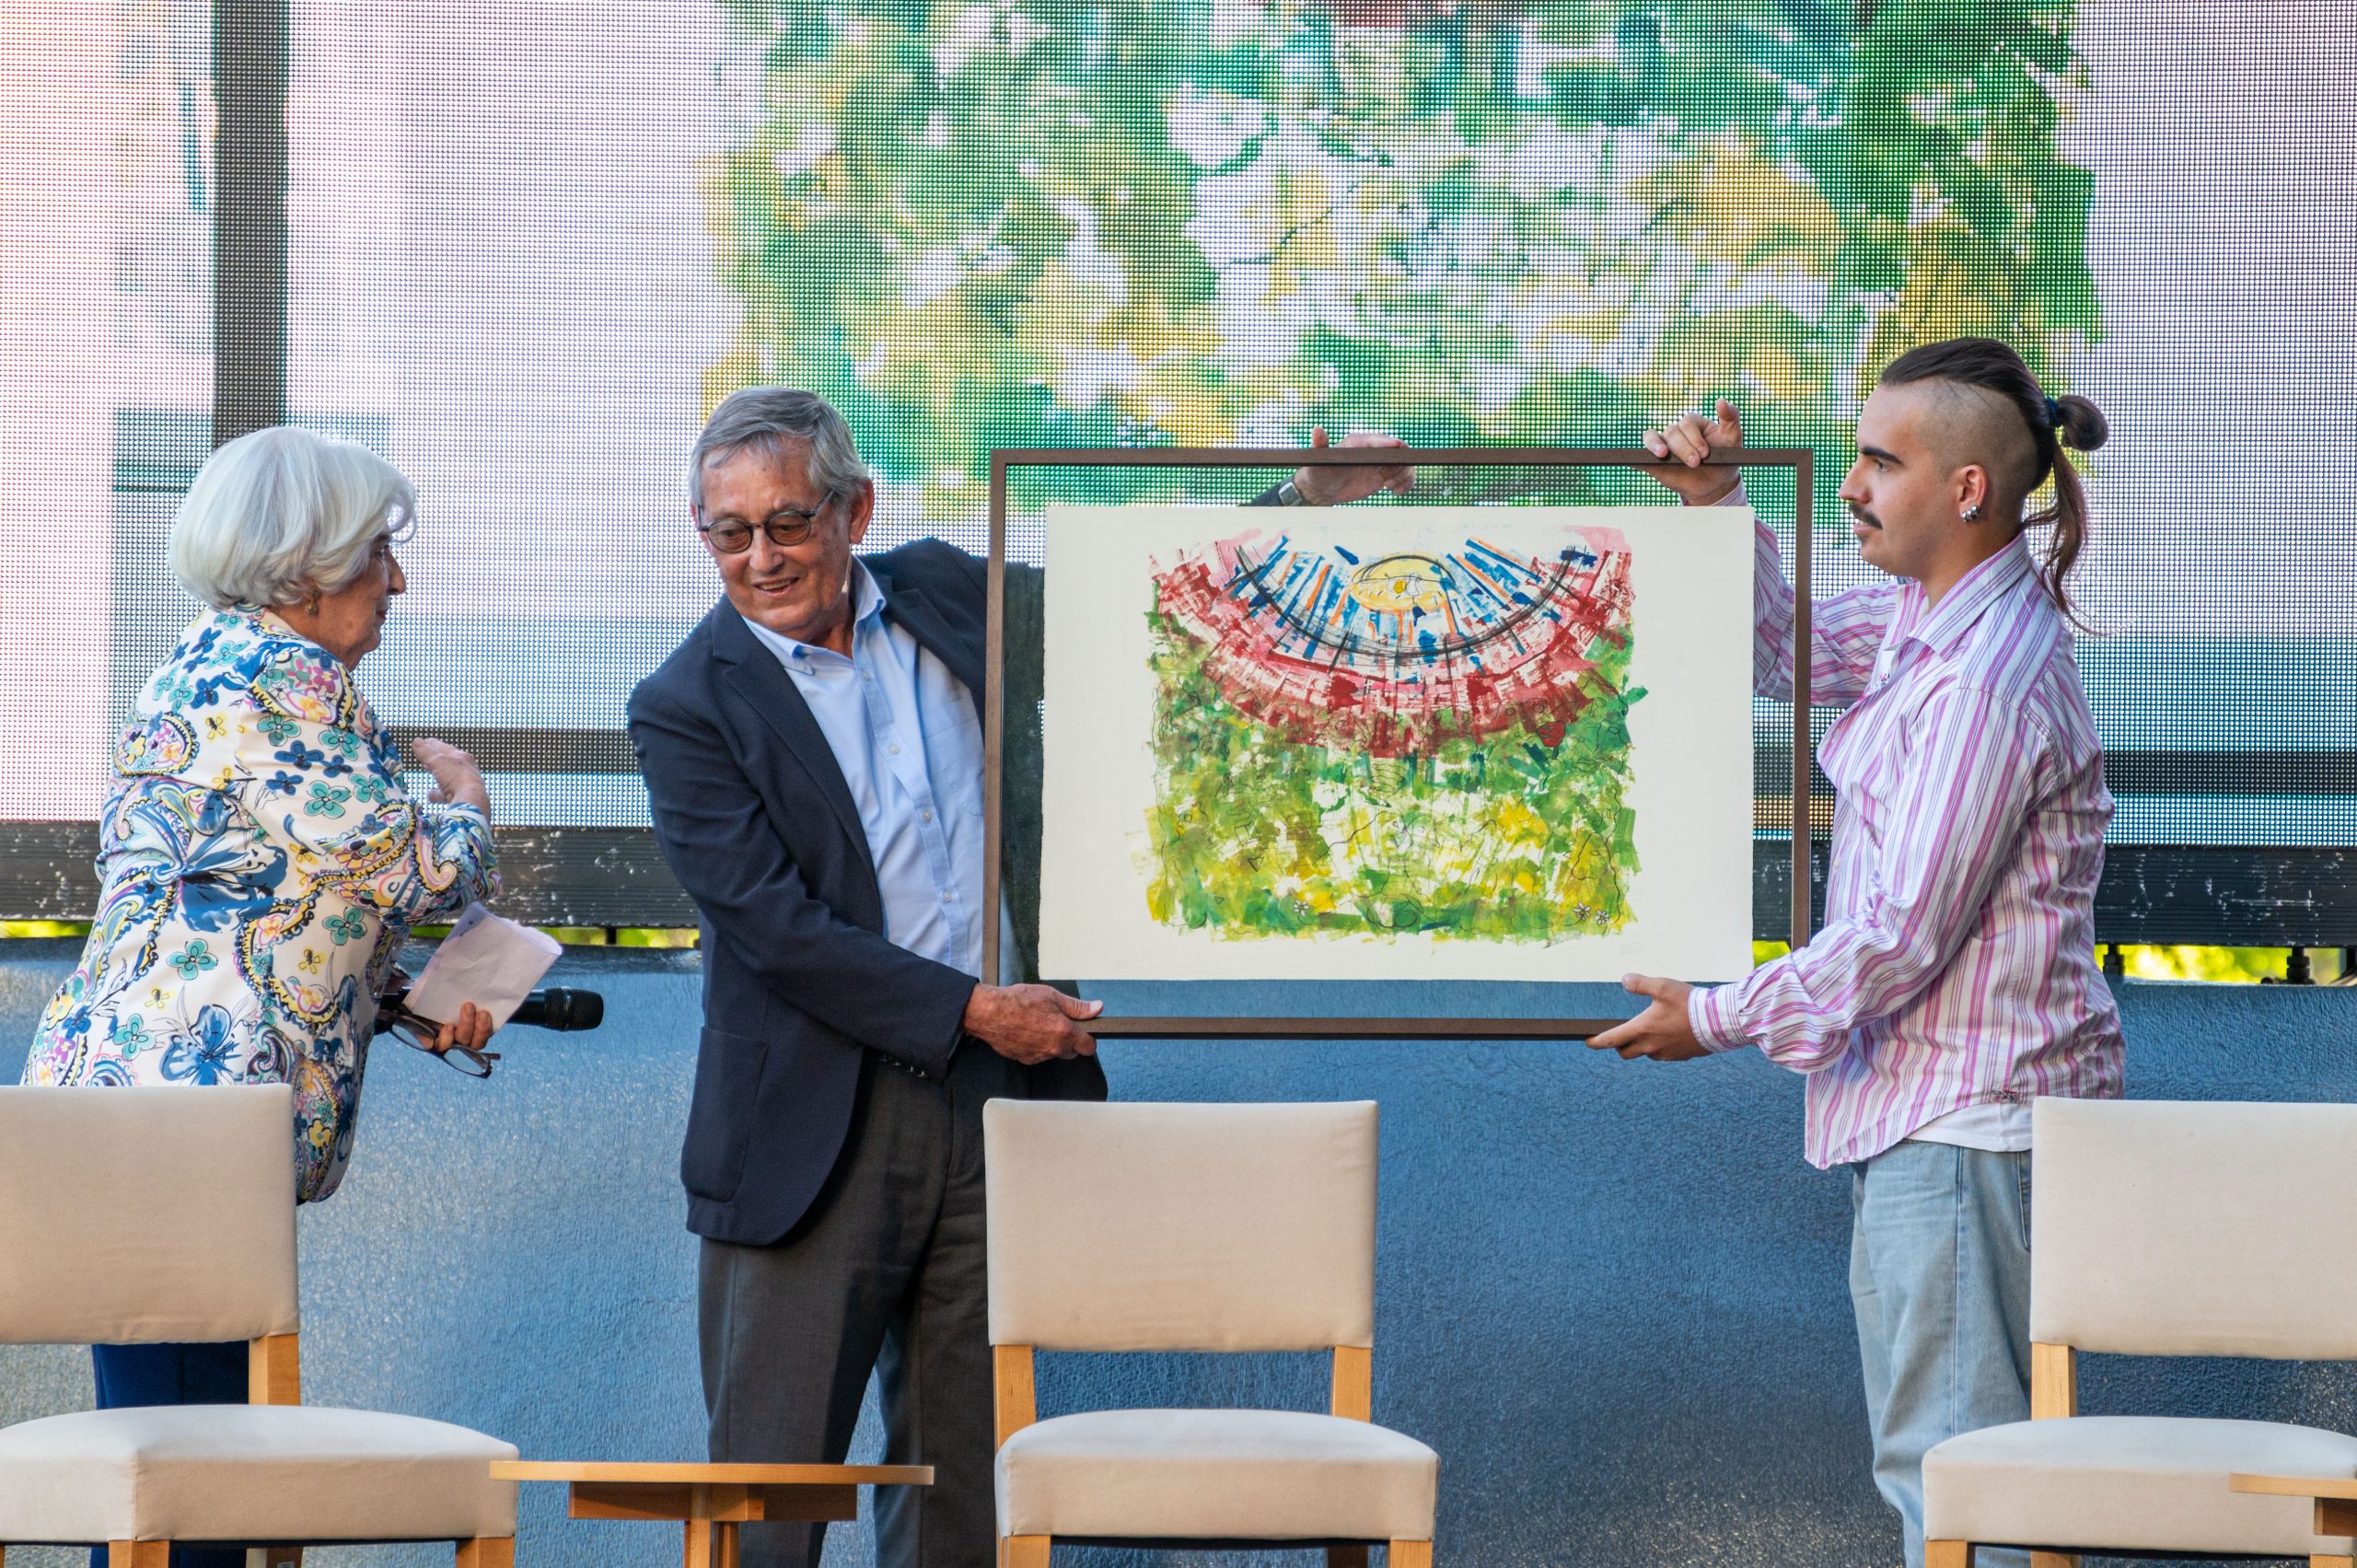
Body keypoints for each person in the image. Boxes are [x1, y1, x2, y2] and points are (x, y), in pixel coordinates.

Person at [628, 389, 1414, 1568]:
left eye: (786, 522)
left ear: (854, 509)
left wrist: (1304, 500)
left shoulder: (943, 588)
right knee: (768, 1502)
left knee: (961, 1487)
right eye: (726, 532)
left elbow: (1136, 608)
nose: (760, 557)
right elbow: (774, 929)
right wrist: (972, 1008)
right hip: (809, 1128)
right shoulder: (683, 702)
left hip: (1002, 1104)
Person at [1588, 338, 2125, 1568]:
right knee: (1945, 1472)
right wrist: (1718, 503)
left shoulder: (1982, 681)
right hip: (1932, 1121)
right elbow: (1781, 652)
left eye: (1881, 461)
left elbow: (1897, 933)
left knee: (1963, 1484)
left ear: (1967, 489)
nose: (1849, 485)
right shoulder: (1921, 620)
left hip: (1968, 1126)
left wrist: (1714, 1014)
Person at [20, 425, 501, 1568]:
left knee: (175, 1469)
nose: (396, 579)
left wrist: (407, 1001)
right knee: (190, 1487)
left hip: (141, 1111)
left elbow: (266, 900)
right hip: (179, 1129)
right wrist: (470, 804)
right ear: (303, 567)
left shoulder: (207, 670)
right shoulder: (275, 683)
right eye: (377, 550)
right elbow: (410, 866)